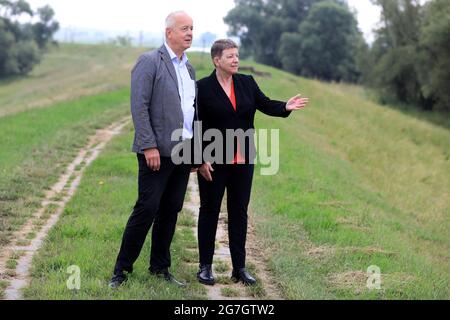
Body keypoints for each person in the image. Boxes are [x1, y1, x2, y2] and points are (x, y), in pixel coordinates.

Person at [196, 39, 309, 286]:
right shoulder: (202, 88)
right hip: (213, 161)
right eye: (230, 56)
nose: (236, 60)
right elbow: (195, 125)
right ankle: (205, 267)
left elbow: (265, 103)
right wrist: (199, 159)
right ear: (217, 60)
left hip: (243, 160)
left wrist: (285, 107)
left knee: (239, 212)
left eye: (237, 55)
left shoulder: (246, 82)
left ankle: (239, 268)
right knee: (209, 211)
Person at [109, 11, 198, 289]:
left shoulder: (189, 68)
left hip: (183, 152)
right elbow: (139, 106)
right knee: (146, 208)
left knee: (171, 210)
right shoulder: (150, 62)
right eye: (184, 28)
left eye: (192, 29)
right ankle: (121, 271)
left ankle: (160, 268)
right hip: (156, 151)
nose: (190, 33)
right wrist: (148, 145)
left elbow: (191, 113)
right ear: (169, 32)